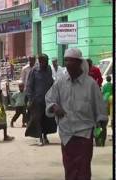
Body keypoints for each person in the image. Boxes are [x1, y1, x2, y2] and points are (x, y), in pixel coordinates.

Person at [45, 48, 108, 180]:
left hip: (84, 132)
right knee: (70, 168)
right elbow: (50, 99)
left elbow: (100, 107)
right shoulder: (60, 82)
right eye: (66, 60)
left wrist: (102, 126)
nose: (68, 64)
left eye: (71, 61)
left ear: (79, 63)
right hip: (66, 132)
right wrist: (54, 107)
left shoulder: (90, 84)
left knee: (83, 168)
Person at [25, 54, 56, 146]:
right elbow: (29, 86)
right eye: (42, 61)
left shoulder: (49, 69)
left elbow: (51, 82)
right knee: (37, 119)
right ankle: (40, 137)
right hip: (37, 100)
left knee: (47, 119)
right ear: (39, 61)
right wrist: (30, 99)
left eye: (45, 61)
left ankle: (45, 135)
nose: (44, 63)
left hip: (47, 99)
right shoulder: (34, 71)